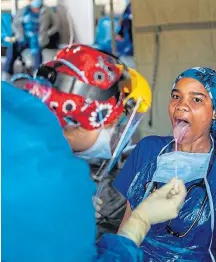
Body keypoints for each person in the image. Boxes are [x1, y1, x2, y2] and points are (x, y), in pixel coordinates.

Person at [1, 45, 187, 261]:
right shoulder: (57, 182)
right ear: (86, 117)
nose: (118, 132)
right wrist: (138, 223)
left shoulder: (10, 103)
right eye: (117, 122)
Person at [113, 67, 216, 261]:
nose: (181, 106)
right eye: (176, 96)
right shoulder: (147, 150)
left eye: (197, 99)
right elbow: (127, 222)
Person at [2, 0, 60, 80]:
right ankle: (7, 72)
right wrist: (19, 34)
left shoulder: (47, 10)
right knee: (13, 47)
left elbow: (56, 24)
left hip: (39, 38)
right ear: (29, 0)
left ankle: (38, 75)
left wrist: (47, 33)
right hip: (24, 37)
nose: (34, 0)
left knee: (37, 50)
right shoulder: (24, 11)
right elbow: (15, 23)